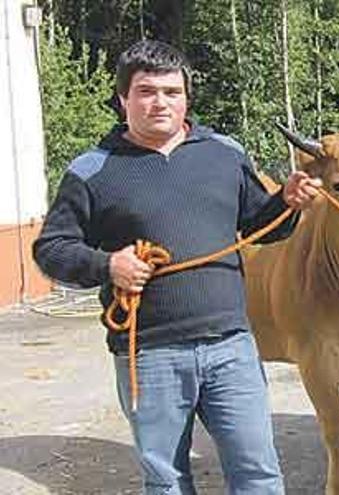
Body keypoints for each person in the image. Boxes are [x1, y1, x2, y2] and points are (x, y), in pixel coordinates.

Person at [33, 40, 322, 494]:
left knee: (259, 473)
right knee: (166, 480)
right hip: (149, 354)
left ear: (187, 97)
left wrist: (286, 204)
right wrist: (108, 265)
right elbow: (50, 249)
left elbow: (262, 230)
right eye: (146, 92)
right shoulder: (93, 170)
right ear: (123, 99)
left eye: (172, 91)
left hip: (231, 347)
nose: (160, 103)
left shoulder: (224, 153)